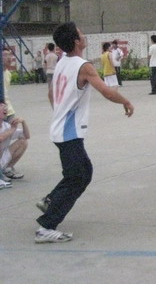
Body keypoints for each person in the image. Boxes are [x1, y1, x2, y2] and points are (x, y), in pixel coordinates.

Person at [35, 22, 134, 243]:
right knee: (77, 177)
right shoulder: (83, 66)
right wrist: (126, 101)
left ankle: (50, 200)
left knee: (82, 172)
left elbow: (51, 94)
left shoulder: (62, 61)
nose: (84, 35)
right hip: (68, 133)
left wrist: (60, 112)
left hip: (61, 129)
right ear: (76, 41)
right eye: (81, 34)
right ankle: (46, 226)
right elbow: (107, 92)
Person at [0, 99, 30, 186]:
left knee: (23, 142)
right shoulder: (10, 128)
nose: (5, 108)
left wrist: (23, 122)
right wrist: (12, 129)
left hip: (2, 157)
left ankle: (6, 169)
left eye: (5, 106)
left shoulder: (6, 126)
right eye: (1, 106)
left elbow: (26, 136)